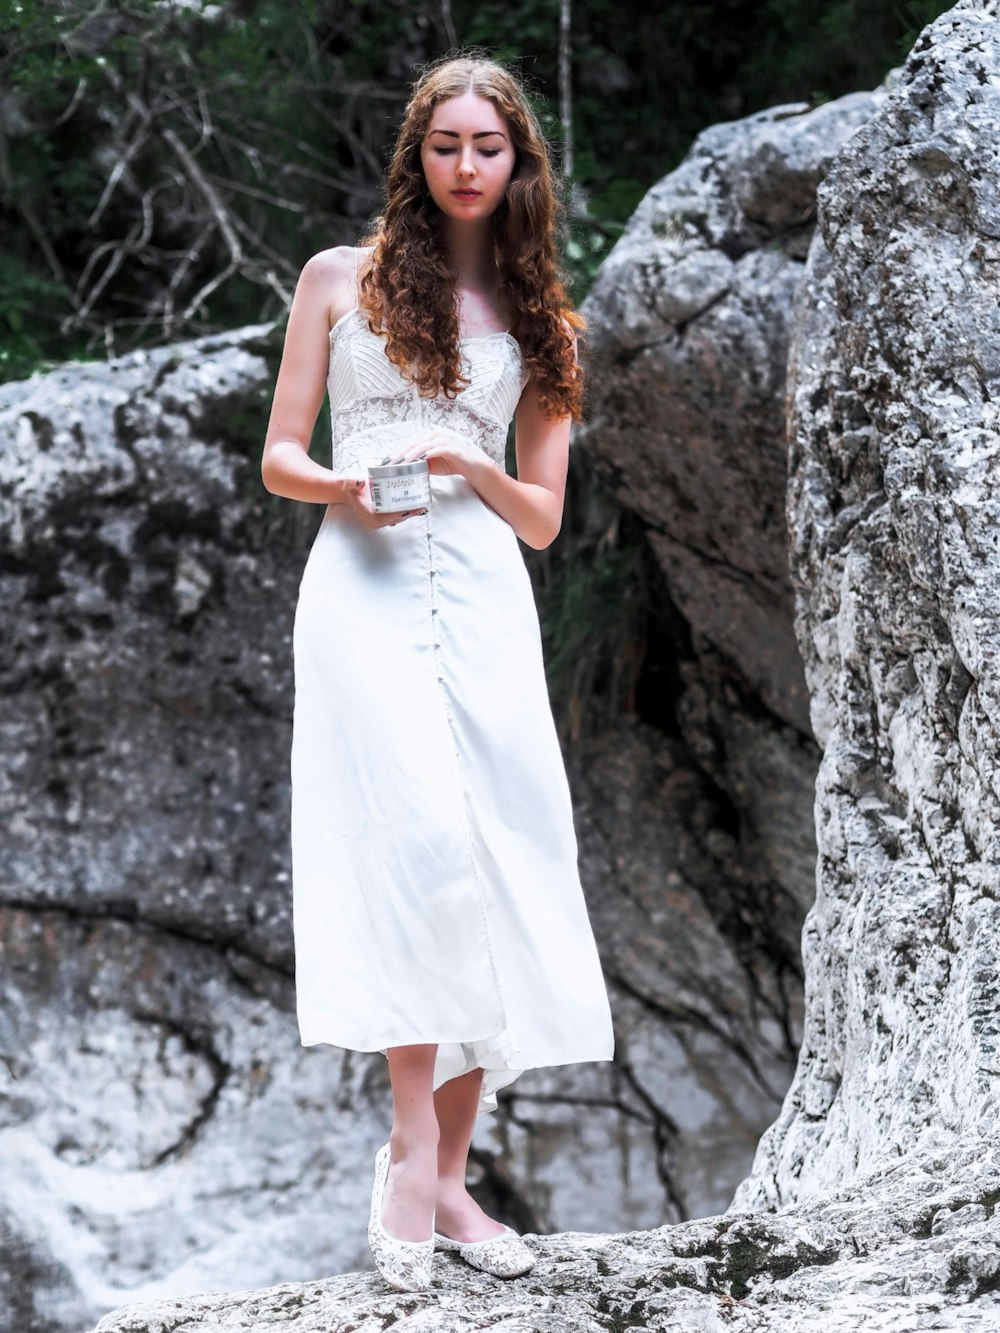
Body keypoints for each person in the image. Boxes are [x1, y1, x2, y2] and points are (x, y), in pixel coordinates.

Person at [260, 53, 614, 1293]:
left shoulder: (544, 326)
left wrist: (467, 468)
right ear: (417, 153)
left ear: (519, 163)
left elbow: (543, 520)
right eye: (447, 143)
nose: (467, 165)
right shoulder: (335, 283)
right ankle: (413, 1153)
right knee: (409, 844)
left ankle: (448, 1175)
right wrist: (345, 484)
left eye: (490, 147)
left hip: (479, 589)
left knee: (487, 852)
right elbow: (279, 459)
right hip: (356, 587)